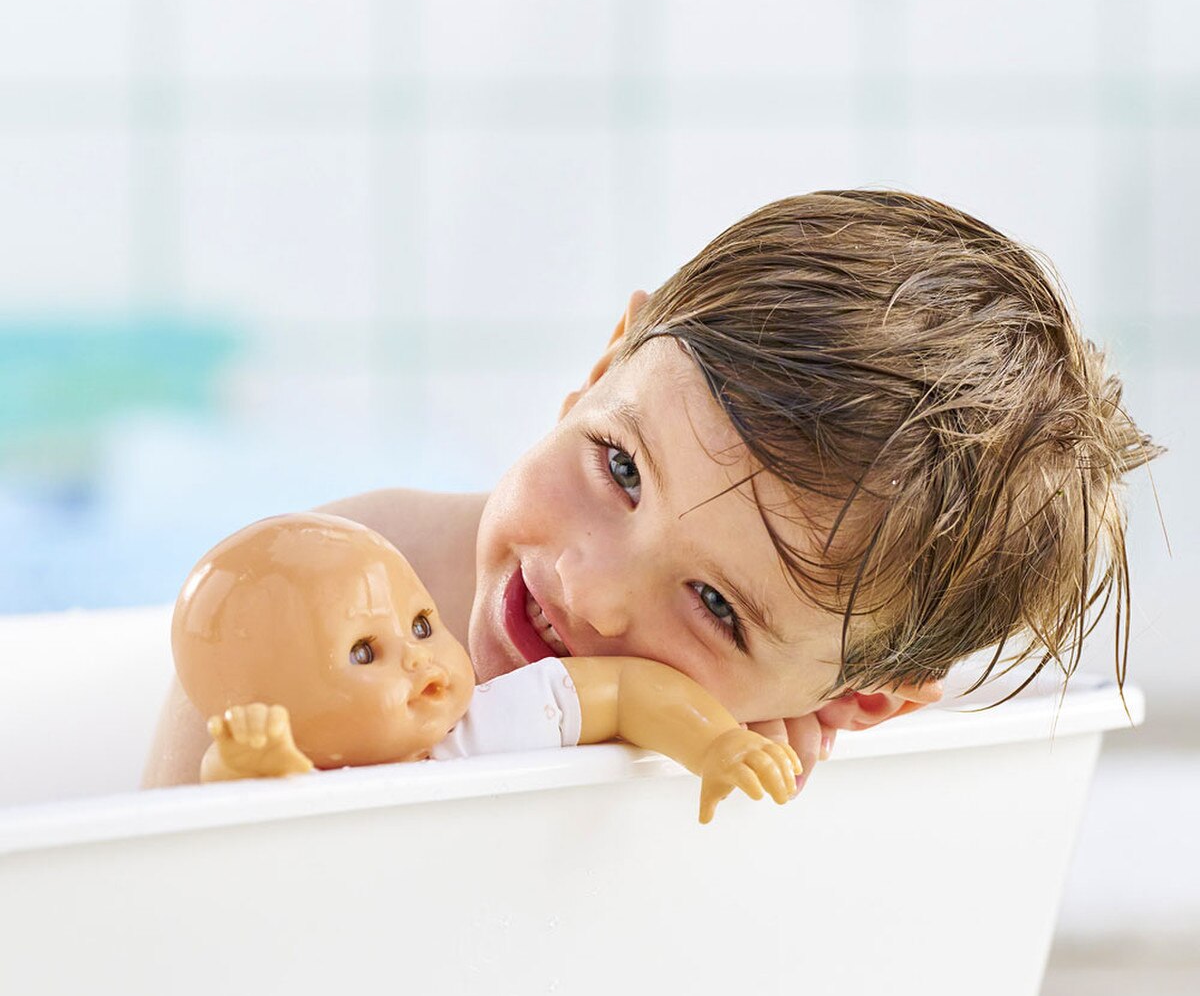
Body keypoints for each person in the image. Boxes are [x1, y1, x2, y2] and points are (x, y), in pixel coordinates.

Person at [143, 188, 1157, 791]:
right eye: (619, 466)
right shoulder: (346, 576)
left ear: (859, 699)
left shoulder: (744, 747)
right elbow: (165, 892)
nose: (591, 590)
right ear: (600, 368)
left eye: (718, 609)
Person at [174, 512, 800, 823]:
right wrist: (251, 767)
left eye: (420, 625)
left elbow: (627, 690)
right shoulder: (304, 783)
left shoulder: (488, 725)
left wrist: (713, 741)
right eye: (365, 652)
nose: (418, 655)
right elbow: (229, 826)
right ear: (275, 713)